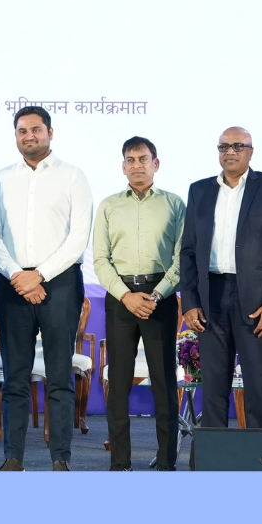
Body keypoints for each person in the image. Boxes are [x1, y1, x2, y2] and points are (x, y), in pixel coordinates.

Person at [0, 106, 93, 471]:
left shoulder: (73, 177)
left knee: (60, 377)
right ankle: (13, 457)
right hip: (12, 282)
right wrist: (18, 274)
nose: (28, 136)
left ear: (50, 132)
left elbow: (78, 237)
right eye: (21, 131)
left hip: (59, 283)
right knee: (15, 376)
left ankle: (60, 458)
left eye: (35, 129)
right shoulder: (0, 179)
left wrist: (41, 275)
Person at [180, 127, 262, 430]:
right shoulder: (199, 190)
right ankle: (211, 464)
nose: (230, 152)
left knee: (258, 385)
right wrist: (189, 302)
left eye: (238, 146)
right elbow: (188, 252)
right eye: (224, 146)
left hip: (255, 304)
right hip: (210, 299)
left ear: (251, 152)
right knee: (214, 387)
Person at [92, 136, 184, 471]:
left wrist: (158, 295)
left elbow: (181, 257)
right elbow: (100, 260)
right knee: (118, 383)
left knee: (163, 382)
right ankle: (121, 463)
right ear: (122, 166)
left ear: (155, 164)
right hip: (121, 298)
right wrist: (127, 296)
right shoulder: (108, 205)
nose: (137, 166)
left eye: (143, 159)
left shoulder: (174, 204)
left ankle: (166, 462)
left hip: (160, 296)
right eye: (130, 160)